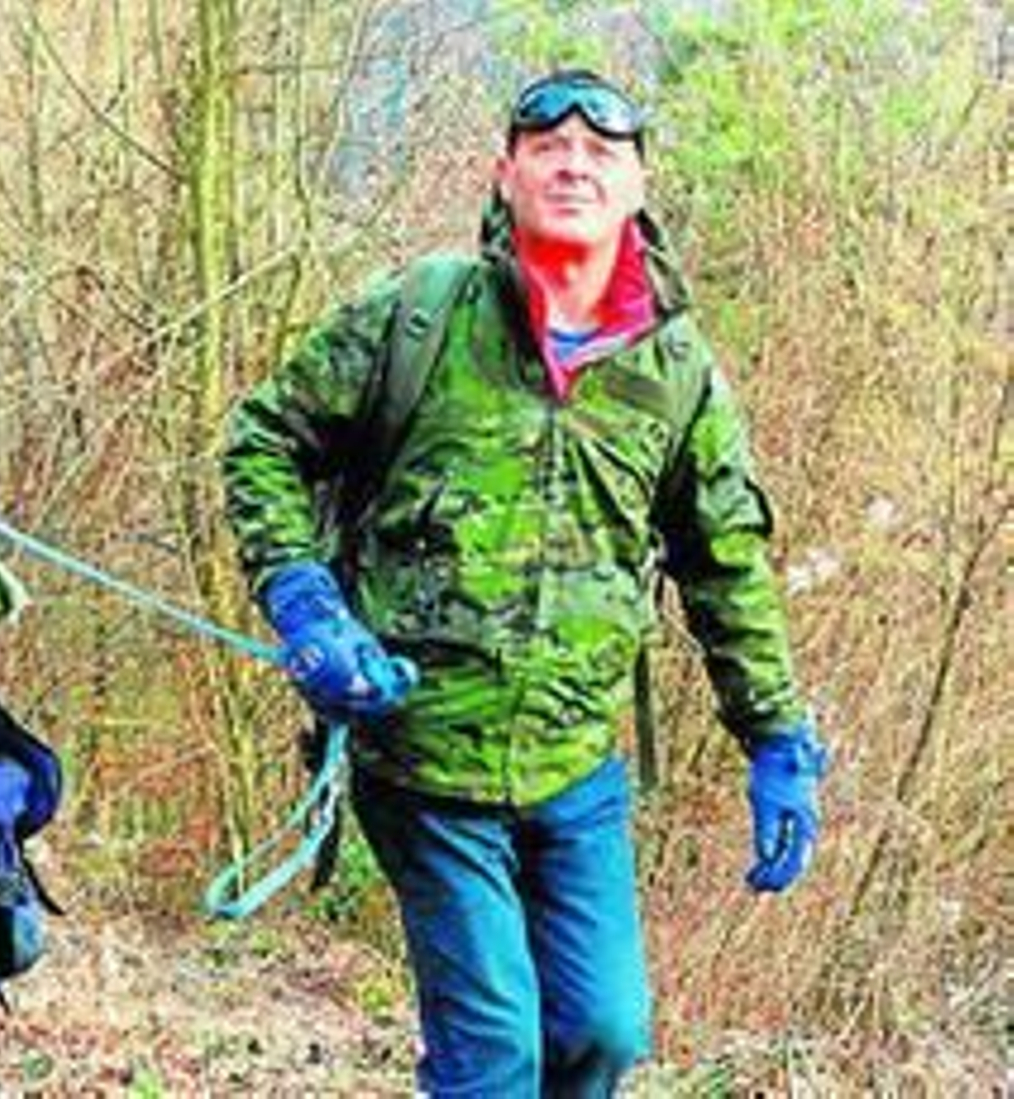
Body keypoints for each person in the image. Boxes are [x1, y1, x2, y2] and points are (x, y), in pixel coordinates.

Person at [221, 70, 829, 1097]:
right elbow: (264, 440)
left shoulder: (673, 370)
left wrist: (773, 736)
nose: (573, 164)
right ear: (503, 174)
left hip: (575, 764)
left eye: (601, 151)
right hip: (421, 755)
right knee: (493, 1056)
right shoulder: (421, 315)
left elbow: (723, 563)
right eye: (547, 147)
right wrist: (303, 598)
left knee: (599, 1033)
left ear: (639, 185)